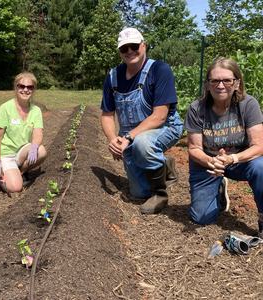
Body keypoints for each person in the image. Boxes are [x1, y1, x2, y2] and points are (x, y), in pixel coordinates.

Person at [100, 28, 183, 214]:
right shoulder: (113, 77)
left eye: (134, 46)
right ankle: (164, 165)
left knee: (143, 143)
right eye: (124, 48)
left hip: (165, 126)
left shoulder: (159, 70)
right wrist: (113, 139)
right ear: (120, 52)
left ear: (143, 45)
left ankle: (159, 194)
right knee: (139, 192)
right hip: (132, 136)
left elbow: (159, 116)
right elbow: (107, 114)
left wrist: (128, 138)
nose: (130, 51)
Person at [185, 57, 263, 235]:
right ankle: (218, 188)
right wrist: (213, 162)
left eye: (227, 80)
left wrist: (231, 159)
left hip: (240, 161)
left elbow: (259, 146)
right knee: (202, 218)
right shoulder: (197, 108)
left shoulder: (248, 105)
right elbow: (194, 149)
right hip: (208, 165)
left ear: (236, 83)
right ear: (207, 84)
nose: (220, 85)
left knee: (261, 167)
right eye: (215, 80)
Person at [0, 72, 47, 194]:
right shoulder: (5, 108)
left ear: (34, 89)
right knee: (15, 188)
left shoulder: (35, 110)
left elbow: (38, 133)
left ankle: (21, 171)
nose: (25, 90)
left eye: (30, 87)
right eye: (22, 86)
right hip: (5, 153)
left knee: (41, 151)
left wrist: (34, 147)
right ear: (16, 87)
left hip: (20, 151)